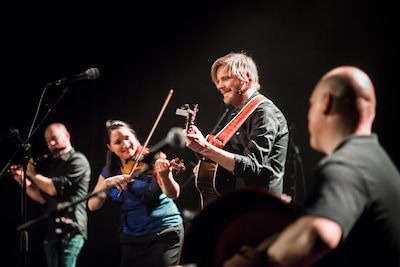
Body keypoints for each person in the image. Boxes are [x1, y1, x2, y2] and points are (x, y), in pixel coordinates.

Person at [223, 66, 400, 267]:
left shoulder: (344, 165)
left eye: (311, 104)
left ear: (326, 102)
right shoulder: (377, 161)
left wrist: (255, 261)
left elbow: (318, 234)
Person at [185, 52, 289, 205]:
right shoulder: (235, 114)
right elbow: (223, 158)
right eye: (218, 80)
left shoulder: (265, 113)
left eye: (226, 78)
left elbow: (254, 168)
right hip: (239, 204)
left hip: (260, 207)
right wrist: (203, 150)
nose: (220, 86)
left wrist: (205, 148)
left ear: (246, 78)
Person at [88, 120, 184, 267]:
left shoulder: (154, 159)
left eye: (127, 138)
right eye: (118, 142)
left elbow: (173, 193)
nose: (125, 145)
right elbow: (93, 205)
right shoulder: (110, 170)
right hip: (132, 239)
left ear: (134, 135)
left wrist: (165, 176)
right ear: (110, 147)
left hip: (164, 232)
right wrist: (106, 184)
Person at [10, 122, 91, 267]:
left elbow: (53, 188)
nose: (51, 143)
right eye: (48, 141)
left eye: (54, 138)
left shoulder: (78, 160)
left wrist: (32, 174)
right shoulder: (54, 164)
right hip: (52, 232)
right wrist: (22, 179)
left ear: (67, 135)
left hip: (71, 229)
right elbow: (42, 197)